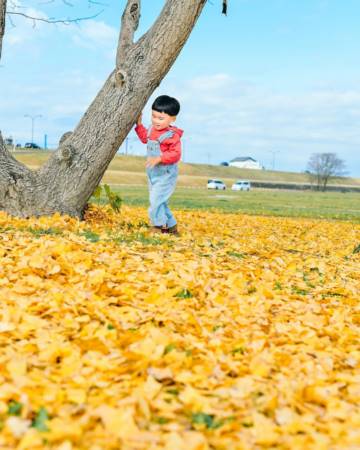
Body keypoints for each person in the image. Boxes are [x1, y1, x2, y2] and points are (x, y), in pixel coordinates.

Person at [135, 95, 183, 235]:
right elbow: (145, 138)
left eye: (161, 118)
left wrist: (160, 158)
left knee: (155, 200)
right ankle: (172, 227)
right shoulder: (151, 130)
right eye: (153, 116)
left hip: (166, 174)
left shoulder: (171, 136)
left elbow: (176, 154)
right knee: (160, 201)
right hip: (153, 174)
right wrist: (139, 125)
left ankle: (157, 228)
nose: (156, 121)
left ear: (172, 119)